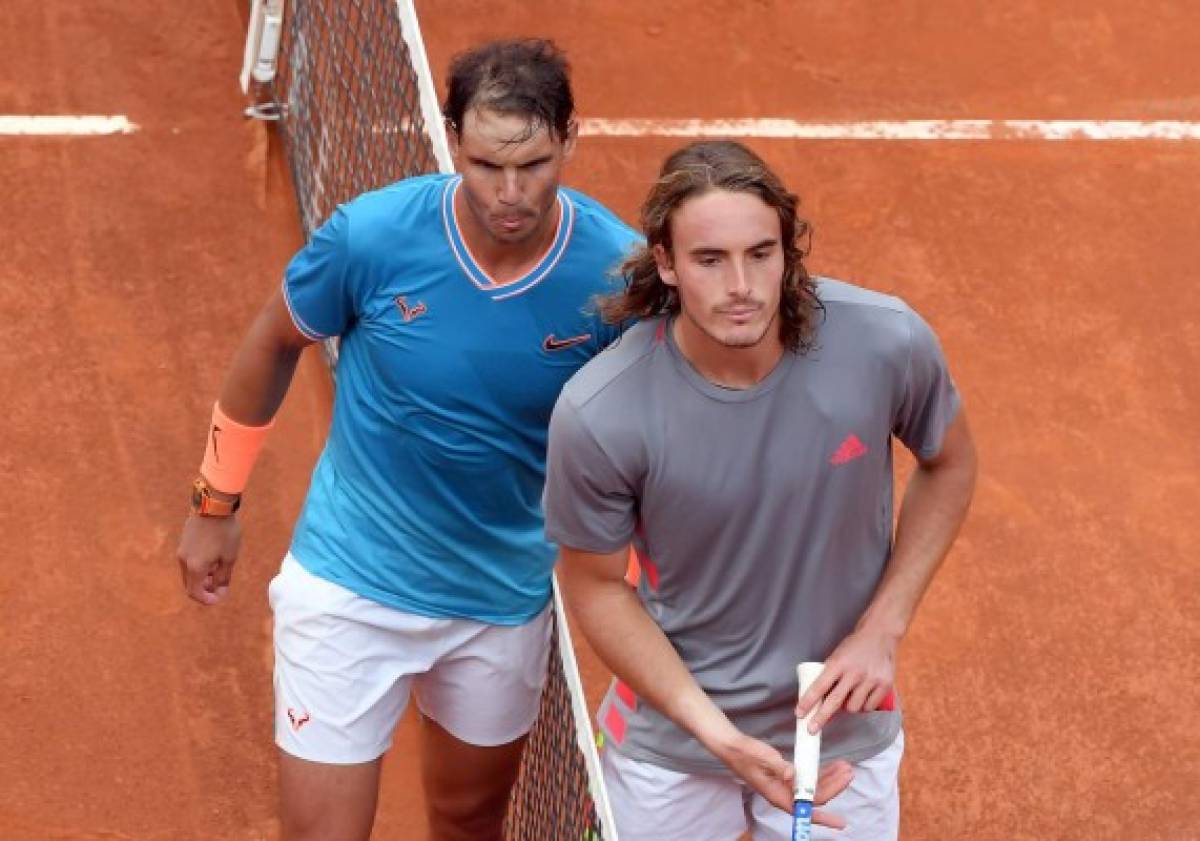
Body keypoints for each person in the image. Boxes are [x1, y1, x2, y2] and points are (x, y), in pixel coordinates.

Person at [175, 39, 645, 841]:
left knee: (468, 823)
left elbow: (652, 430)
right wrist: (215, 500)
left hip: (500, 599)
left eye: (531, 164)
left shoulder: (616, 275)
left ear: (571, 137)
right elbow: (271, 341)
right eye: (486, 163)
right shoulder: (372, 238)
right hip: (350, 586)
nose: (509, 192)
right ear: (451, 135)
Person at [544, 140, 978, 840]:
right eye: (710, 259)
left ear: (787, 252)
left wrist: (883, 627)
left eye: (761, 253)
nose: (741, 285)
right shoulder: (602, 412)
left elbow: (950, 461)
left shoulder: (884, 342)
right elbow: (594, 586)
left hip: (839, 726)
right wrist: (719, 736)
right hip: (677, 737)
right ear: (666, 262)